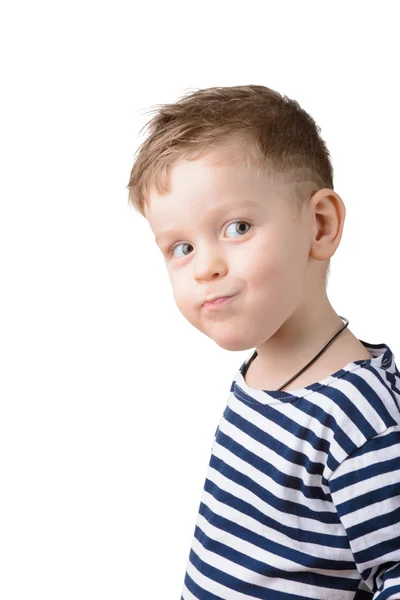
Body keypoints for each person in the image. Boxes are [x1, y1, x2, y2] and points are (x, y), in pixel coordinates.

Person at [126, 85, 400, 599]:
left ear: (319, 226)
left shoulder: (359, 417)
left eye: (237, 227)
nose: (206, 267)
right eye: (181, 247)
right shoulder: (259, 375)